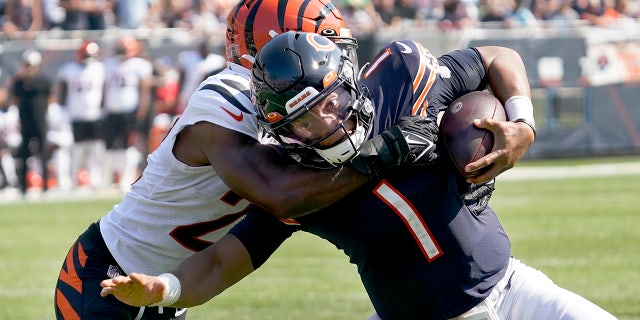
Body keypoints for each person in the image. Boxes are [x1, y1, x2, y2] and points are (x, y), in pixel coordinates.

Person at [99, 31, 615, 320]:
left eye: (332, 101)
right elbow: (218, 266)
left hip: (514, 286)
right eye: (304, 118)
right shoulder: (301, 186)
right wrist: (164, 288)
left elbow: (496, 56)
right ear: (281, 129)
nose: (326, 120)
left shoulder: (402, 77)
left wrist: (522, 121)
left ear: (349, 77)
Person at [54, 0, 434, 319]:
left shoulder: (291, 104)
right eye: (320, 43)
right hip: (106, 274)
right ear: (282, 46)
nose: (329, 58)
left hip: (168, 282)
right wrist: (384, 153)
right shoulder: (226, 98)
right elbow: (278, 194)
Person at [102, 35, 153, 190]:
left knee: (129, 146)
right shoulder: (109, 63)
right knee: (110, 146)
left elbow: (144, 90)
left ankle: (127, 177)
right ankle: (109, 178)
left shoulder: (139, 65)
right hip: (112, 110)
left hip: (130, 110)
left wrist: (141, 111)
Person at [55, 40, 107, 189]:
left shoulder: (100, 68)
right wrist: (62, 110)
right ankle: (73, 178)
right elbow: (62, 91)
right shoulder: (69, 69)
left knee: (95, 148)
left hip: (95, 114)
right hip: (76, 115)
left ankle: (95, 178)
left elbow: (104, 91)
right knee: (76, 149)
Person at [9, 49, 53, 195]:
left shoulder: (43, 80)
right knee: (24, 155)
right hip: (26, 123)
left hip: (40, 121)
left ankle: (45, 186)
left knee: (43, 154)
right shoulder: (19, 83)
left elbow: (49, 99)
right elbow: (16, 101)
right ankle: (23, 187)